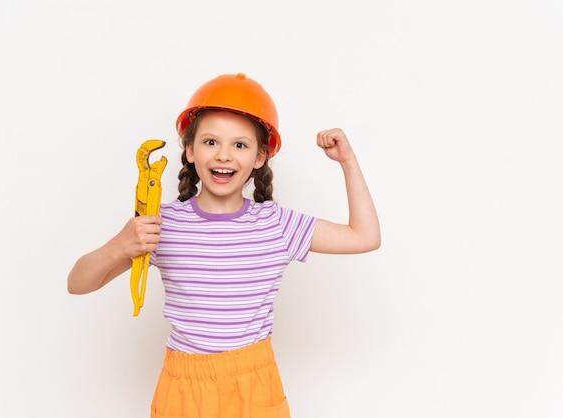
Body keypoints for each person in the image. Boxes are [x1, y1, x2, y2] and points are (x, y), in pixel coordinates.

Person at [67, 73, 380, 418]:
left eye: (240, 145)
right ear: (189, 150)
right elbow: (78, 283)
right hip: (183, 387)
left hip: (254, 384)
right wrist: (120, 244)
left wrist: (348, 163)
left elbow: (364, 237)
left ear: (260, 157)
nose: (224, 155)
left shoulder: (276, 224)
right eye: (211, 142)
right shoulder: (162, 224)